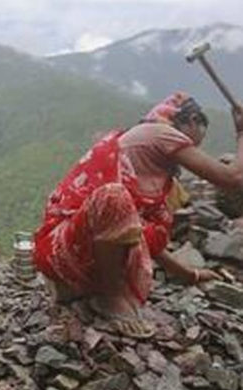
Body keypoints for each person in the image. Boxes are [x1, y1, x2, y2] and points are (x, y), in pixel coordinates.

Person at [34, 92, 243, 338]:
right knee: (113, 197)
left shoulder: (150, 164)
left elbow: (135, 231)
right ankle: (111, 298)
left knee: (143, 214)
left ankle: (93, 288)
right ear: (193, 120)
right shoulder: (160, 133)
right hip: (65, 253)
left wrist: (190, 274)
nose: (195, 147)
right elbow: (232, 179)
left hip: (78, 258)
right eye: (199, 137)